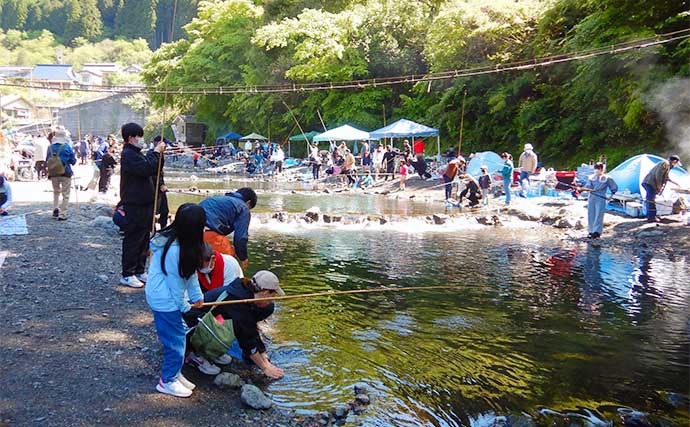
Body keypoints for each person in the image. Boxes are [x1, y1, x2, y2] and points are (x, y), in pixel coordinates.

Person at [145, 203, 206, 398]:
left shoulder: (185, 245)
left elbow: (190, 274)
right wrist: (185, 306)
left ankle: (175, 373)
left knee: (178, 335)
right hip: (164, 299)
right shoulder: (174, 250)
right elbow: (176, 284)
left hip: (167, 295)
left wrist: (198, 296)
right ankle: (167, 380)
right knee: (176, 340)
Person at [185, 267, 285, 380]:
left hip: (211, 319)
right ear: (266, 293)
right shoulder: (238, 303)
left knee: (227, 327)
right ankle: (195, 354)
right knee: (228, 330)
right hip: (190, 322)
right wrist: (265, 367)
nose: (273, 300)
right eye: (273, 296)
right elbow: (246, 340)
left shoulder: (245, 293)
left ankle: (210, 350)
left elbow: (251, 328)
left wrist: (262, 353)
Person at [119, 123, 166, 288]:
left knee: (144, 238)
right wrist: (155, 152)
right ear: (131, 138)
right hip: (134, 204)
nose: (142, 139)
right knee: (133, 239)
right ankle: (127, 273)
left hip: (145, 204)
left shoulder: (137, 154)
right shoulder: (128, 155)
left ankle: (140, 270)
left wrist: (159, 154)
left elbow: (155, 169)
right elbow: (146, 168)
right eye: (139, 136)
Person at [199, 188, 257, 270]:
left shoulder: (220, 199)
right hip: (209, 234)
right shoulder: (243, 208)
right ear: (248, 202)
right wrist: (243, 257)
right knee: (231, 266)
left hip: (191, 232)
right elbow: (240, 238)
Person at [46, 126, 77, 220]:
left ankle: (55, 208)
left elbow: (47, 160)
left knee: (56, 192)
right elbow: (73, 161)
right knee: (65, 194)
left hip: (53, 173)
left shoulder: (50, 147)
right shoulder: (67, 146)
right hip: (65, 173)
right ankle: (63, 214)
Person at [581, 162, 618, 239]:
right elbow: (587, 187)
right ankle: (590, 231)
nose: (596, 170)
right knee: (591, 214)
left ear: (602, 169)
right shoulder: (591, 177)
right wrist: (584, 189)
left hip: (601, 197)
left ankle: (597, 232)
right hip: (591, 197)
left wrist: (610, 196)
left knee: (599, 214)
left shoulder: (607, 178)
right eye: (595, 169)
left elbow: (614, 188)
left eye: (598, 169)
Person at [641, 155, 682, 223]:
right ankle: (651, 218)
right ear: (674, 161)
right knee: (651, 201)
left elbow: (666, 177)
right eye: (676, 163)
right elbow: (658, 175)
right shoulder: (665, 164)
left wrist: (675, 183)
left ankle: (652, 216)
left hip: (650, 183)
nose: (675, 165)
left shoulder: (667, 165)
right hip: (650, 183)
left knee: (651, 200)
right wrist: (659, 187)